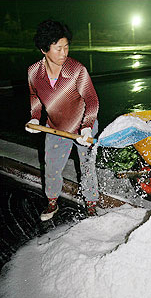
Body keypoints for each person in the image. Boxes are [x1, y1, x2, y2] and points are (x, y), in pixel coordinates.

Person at [25, 18, 100, 222]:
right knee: (51, 167)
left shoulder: (76, 70)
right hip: (56, 127)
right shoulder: (33, 73)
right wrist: (34, 118)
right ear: (43, 50)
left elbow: (92, 100)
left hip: (84, 125)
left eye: (66, 47)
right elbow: (35, 97)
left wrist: (86, 128)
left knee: (86, 166)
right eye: (58, 49)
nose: (64, 53)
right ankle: (52, 202)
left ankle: (91, 203)